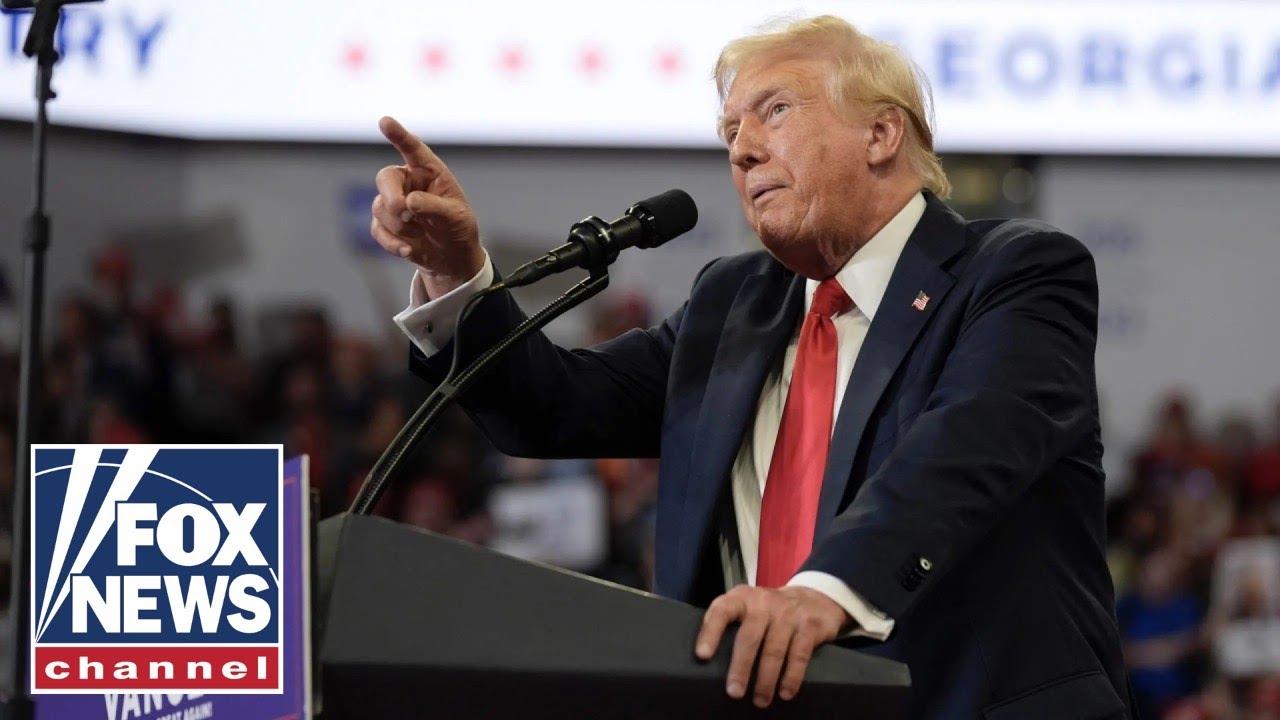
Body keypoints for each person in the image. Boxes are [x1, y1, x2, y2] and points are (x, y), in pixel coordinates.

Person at [371, 15, 1130, 720]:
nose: (741, 149)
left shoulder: (1016, 274)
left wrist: (826, 590)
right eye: (730, 130)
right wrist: (457, 274)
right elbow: (550, 406)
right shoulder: (733, 302)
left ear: (881, 132)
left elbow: (966, 448)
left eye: (774, 112)